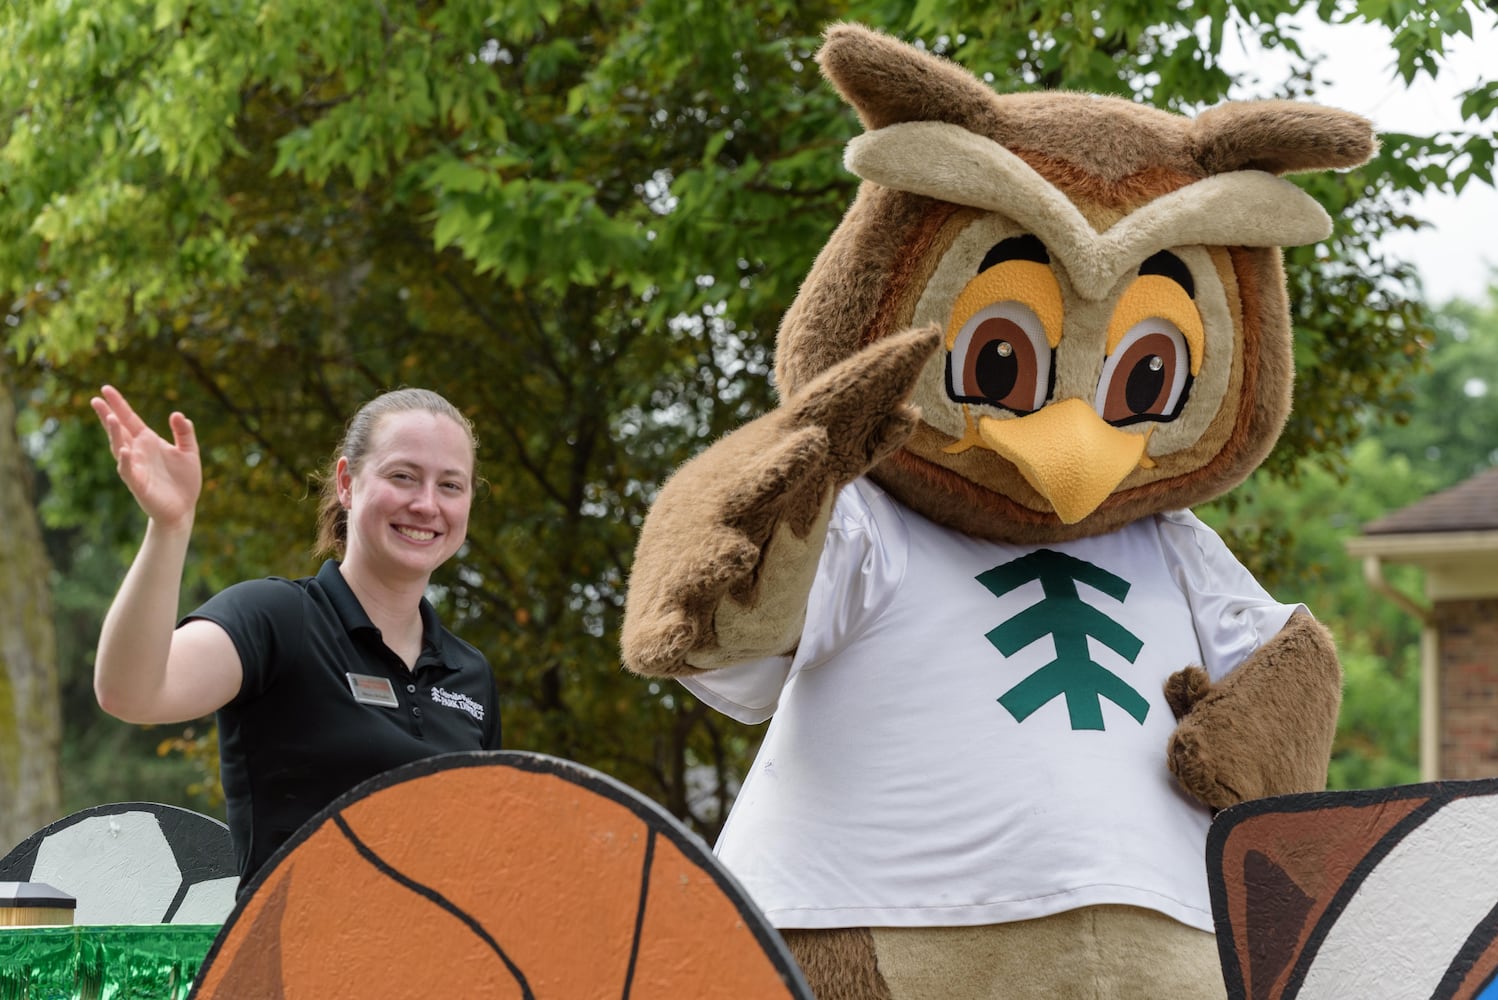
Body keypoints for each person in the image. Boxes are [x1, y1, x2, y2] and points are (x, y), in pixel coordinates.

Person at [90, 385, 501, 888]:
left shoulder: (471, 674)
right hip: (291, 964)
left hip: (441, 965)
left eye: (451, 486)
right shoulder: (278, 619)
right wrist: (170, 526)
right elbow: (131, 692)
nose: (425, 504)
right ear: (347, 483)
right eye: (403, 476)